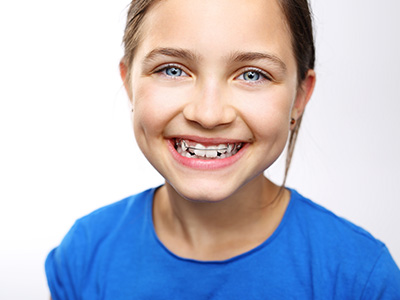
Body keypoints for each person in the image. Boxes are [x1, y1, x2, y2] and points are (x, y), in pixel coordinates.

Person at [45, 0, 400, 298]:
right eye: (172, 69)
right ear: (129, 84)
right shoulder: (83, 257)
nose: (209, 114)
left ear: (299, 98)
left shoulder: (360, 278)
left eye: (252, 75)